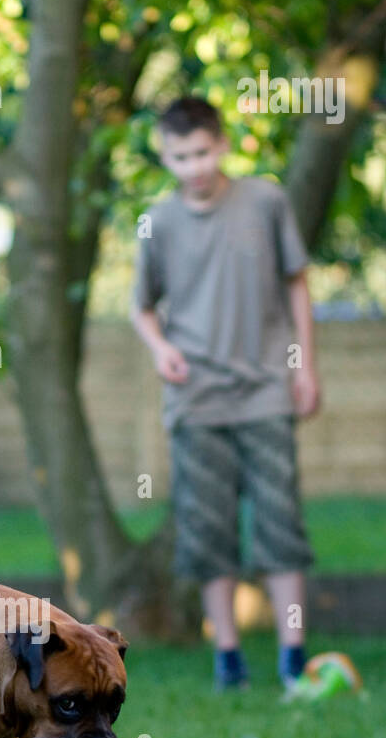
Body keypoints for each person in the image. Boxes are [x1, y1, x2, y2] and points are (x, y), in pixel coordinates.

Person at [130, 95, 320, 692]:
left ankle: (294, 658)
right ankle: (228, 661)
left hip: (266, 390)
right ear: (165, 156)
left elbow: (297, 285)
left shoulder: (265, 201)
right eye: (181, 157)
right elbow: (140, 308)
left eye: (203, 152)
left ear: (223, 144)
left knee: (281, 527)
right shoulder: (157, 222)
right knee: (208, 536)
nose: (194, 166)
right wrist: (161, 350)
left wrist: (305, 365)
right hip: (196, 400)